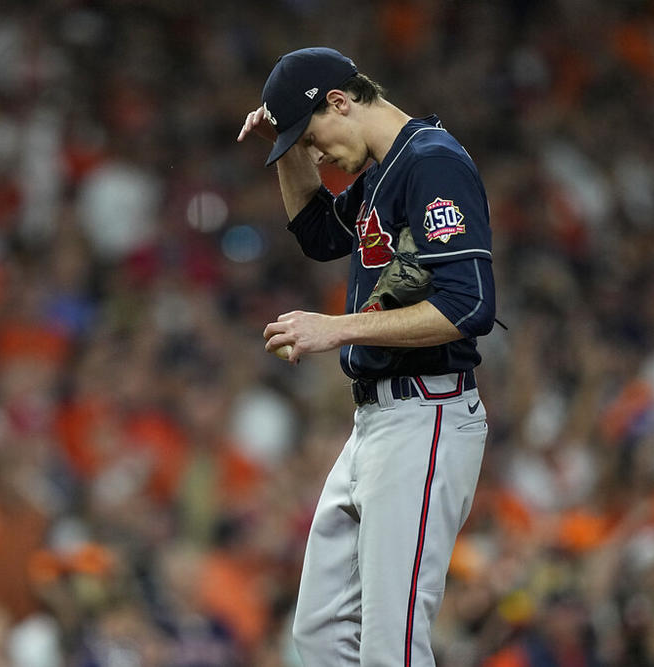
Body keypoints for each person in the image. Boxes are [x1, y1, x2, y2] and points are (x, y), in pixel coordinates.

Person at [237, 47, 497, 665]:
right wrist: (289, 144)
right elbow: (321, 234)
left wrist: (337, 330)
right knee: (320, 635)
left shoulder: (432, 161)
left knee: (391, 648)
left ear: (341, 101)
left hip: (425, 415)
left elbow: (469, 306)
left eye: (313, 134)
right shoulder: (384, 167)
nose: (316, 152)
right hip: (375, 424)